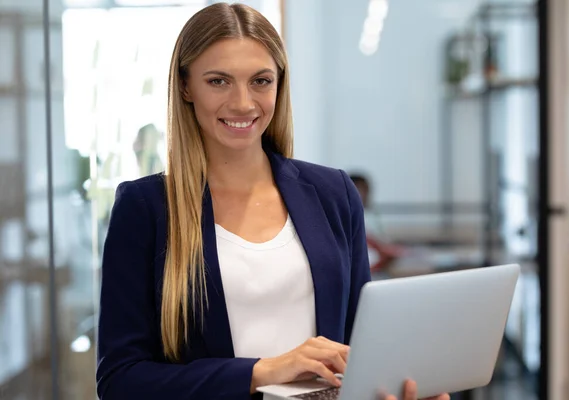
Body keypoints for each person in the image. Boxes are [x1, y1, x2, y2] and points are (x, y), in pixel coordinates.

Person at [95, 4, 449, 400]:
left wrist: (398, 388)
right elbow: (120, 381)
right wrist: (261, 372)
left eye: (261, 81)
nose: (244, 103)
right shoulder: (145, 208)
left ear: (279, 84)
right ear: (185, 87)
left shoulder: (334, 193)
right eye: (219, 81)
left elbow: (361, 347)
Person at [349, 174, 403, 272]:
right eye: (362, 190)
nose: (366, 195)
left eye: (367, 190)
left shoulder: (372, 216)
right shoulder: (349, 219)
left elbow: (384, 244)